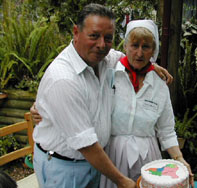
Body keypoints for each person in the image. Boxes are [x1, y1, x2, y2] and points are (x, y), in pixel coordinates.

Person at [31, 3, 172, 188]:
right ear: (76, 32)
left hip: (94, 165)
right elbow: (86, 145)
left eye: (108, 38)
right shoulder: (63, 79)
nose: (101, 45)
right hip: (65, 167)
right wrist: (123, 181)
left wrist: (152, 66)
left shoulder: (104, 59)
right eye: (94, 36)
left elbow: (130, 57)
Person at [99, 20, 194, 188]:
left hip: (148, 159)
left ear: (154, 50)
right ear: (126, 46)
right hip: (113, 155)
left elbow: (166, 130)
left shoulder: (159, 84)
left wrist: (179, 159)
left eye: (146, 47)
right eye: (134, 45)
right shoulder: (110, 72)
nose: (139, 53)